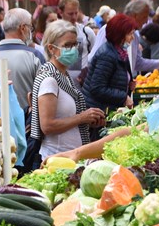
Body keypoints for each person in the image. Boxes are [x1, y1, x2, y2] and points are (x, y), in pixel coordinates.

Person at [31, 21, 104, 163]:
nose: (73, 49)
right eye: (67, 45)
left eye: (75, 44)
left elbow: (66, 116)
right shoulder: (49, 80)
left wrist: (88, 121)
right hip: (56, 158)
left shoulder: (64, 75)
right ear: (51, 48)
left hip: (69, 156)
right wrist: (82, 118)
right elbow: (47, 126)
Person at [0, 7, 43, 111]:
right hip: (27, 124)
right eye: (30, 27)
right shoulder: (34, 56)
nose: (31, 32)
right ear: (23, 28)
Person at [88, 0, 159, 77]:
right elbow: (93, 60)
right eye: (144, 17)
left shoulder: (135, 36)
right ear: (134, 15)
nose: (147, 21)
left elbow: (136, 62)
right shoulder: (109, 30)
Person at [83, 14, 137, 113]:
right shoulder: (106, 55)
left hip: (108, 108)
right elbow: (97, 88)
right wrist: (123, 97)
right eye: (130, 34)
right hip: (99, 111)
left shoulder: (120, 52)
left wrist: (128, 84)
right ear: (119, 35)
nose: (132, 38)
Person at [59, 0, 96, 86]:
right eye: (70, 14)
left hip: (83, 84)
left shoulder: (87, 32)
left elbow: (95, 56)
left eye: (76, 13)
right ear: (61, 12)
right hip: (60, 83)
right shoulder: (53, 33)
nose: (74, 17)